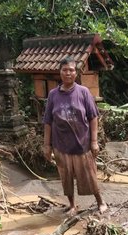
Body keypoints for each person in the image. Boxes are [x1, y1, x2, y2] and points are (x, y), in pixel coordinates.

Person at [42, 56, 107, 215]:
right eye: (65, 70)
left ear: (76, 72)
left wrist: (94, 141)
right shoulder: (53, 95)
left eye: (71, 70)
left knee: (90, 175)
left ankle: (100, 201)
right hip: (61, 145)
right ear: (60, 72)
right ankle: (72, 205)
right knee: (66, 178)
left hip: (82, 144)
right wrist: (46, 145)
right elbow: (48, 121)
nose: (68, 73)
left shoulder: (83, 92)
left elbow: (93, 117)